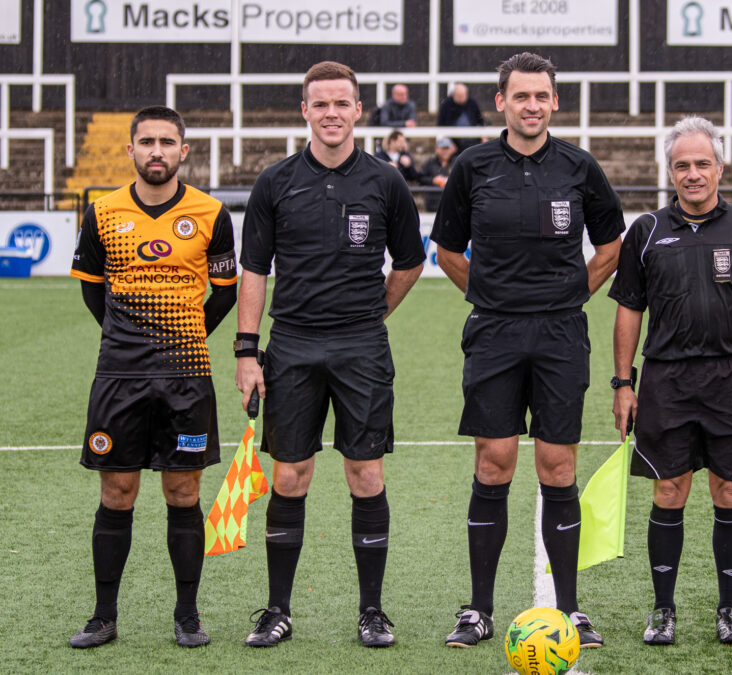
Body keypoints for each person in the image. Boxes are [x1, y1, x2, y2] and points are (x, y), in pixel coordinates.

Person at [431, 51, 624, 649]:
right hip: (494, 334)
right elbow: (448, 252)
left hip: (561, 335)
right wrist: (492, 300)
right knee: (494, 461)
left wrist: (569, 298)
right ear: (502, 102)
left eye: (542, 96)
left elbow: (611, 245)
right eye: (521, 96)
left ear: (555, 102)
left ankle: (570, 609)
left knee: (557, 466)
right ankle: (479, 610)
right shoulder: (473, 166)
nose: (532, 106)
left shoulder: (578, 167)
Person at [234, 61, 425, 649]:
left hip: (361, 345)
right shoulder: (275, 181)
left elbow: (411, 262)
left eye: (342, 103)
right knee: (289, 474)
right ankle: (277, 610)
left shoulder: (386, 181)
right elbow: (254, 271)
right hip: (290, 345)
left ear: (358, 110)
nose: (332, 113)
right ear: (305, 111)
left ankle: (372, 611)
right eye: (321, 104)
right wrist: (247, 351)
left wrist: (370, 316)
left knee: (366, 473)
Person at [609, 116, 732, 647]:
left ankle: (728, 609)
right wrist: (623, 383)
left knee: (730, 488)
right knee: (669, 490)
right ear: (669, 172)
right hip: (667, 379)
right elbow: (628, 312)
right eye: (681, 165)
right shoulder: (645, 232)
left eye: (702, 163)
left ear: (721, 166)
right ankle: (663, 610)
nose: (693, 174)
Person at [68, 105, 238, 649]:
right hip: (119, 377)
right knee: (117, 490)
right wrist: (127, 340)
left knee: (182, 491)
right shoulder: (103, 212)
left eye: (167, 142)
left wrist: (181, 337)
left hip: (187, 378)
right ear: (131, 150)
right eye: (147, 142)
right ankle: (103, 616)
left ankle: (187, 615)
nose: (156, 151)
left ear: (184, 151)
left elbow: (227, 291)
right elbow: (93, 287)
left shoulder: (211, 213)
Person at [437, 82, 487, 152]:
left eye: (464, 95)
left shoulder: (472, 103)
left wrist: (483, 136)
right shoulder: (446, 105)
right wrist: (449, 142)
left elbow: (480, 121)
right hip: (454, 141)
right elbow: (441, 125)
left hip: (473, 140)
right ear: (454, 95)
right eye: (459, 96)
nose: (462, 98)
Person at [418, 136, 457, 212]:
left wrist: (450, 180)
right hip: (433, 204)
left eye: (447, 148)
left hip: (452, 204)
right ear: (437, 149)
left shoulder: (456, 162)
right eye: (443, 149)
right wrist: (433, 180)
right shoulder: (430, 162)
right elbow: (420, 178)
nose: (445, 151)